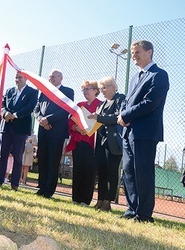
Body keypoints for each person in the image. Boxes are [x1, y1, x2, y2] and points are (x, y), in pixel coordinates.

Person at [117, 40, 169, 223]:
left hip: (145, 132)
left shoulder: (159, 75)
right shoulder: (135, 77)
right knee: (129, 172)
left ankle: (144, 214)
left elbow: (150, 103)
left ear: (149, 52)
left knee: (143, 172)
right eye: (132, 52)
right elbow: (127, 100)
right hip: (128, 132)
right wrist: (122, 114)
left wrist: (126, 115)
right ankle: (132, 209)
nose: (134, 56)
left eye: (137, 52)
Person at [34, 69, 74, 199]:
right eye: (50, 76)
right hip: (42, 129)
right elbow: (37, 108)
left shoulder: (68, 91)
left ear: (60, 78)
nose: (51, 79)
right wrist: (41, 119)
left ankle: (49, 190)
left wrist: (48, 119)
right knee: (42, 158)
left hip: (56, 131)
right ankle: (41, 187)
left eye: (54, 77)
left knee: (53, 160)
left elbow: (65, 110)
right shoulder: (44, 91)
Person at [0, 71, 38, 191]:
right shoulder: (9, 91)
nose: (17, 80)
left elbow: (30, 107)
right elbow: (2, 105)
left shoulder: (33, 92)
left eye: (20, 77)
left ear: (26, 79)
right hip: (6, 127)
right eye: (16, 77)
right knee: (2, 155)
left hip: (21, 129)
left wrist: (15, 115)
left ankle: (14, 183)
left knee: (18, 157)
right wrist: (5, 114)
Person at [88, 76, 125, 211]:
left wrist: (99, 117)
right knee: (102, 172)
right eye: (100, 88)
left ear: (113, 87)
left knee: (111, 171)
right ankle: (100, 199)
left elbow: (117, 117)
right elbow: (97, 121)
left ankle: (107, 202)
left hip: (113, 142)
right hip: (101, 142)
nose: (102, 90)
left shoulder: (120, 99)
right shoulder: (101, 104)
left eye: (104, 87)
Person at [67, 80, 101, 206]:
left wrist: (87, 130)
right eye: (84, 89)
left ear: (96, 91)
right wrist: (76, 128)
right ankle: (75, 198)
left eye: (88, 89)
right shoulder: (79, 105)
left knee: (90, 171)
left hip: (92, 143)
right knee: (78, 170)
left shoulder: (101, 105)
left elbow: (101, 123)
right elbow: (71, 121)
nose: (85, 92)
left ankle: (86, 200)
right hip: (79, 142)